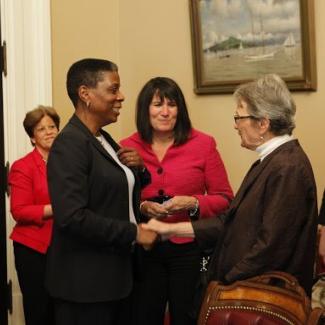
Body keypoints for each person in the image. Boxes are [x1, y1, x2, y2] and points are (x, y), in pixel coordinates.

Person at [143, 74, 318, 319]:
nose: (235, 125)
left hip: (260, 299)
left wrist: (225, 282)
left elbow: (271, 246)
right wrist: (172, 230)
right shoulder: (272, 161)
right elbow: (232, 221)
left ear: (263, 123)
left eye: (239, 117)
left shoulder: (286, 167)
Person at [45, 58, 157, 325]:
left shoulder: (102, 138)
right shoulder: (70, 143)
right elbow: (71, 217)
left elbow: (113, 192)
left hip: (116, 278)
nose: (121, 97)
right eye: (113, 89)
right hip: (86, 286)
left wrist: (139, 170)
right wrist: (134, 232)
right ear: (85, 94)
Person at [120, 76, 233, 325]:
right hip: (145, 248)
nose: (165, 112)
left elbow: (225, 199)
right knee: (144, 315)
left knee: (187, 316)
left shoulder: (203, 144)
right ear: (145, 110)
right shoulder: (127, 147)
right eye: (157, 104)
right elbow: (118, 198)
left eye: (172, 105)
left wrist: (192, 203)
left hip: (189, 249)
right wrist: (142, 206)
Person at [9, 105, 60, 325]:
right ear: (32, 137)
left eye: (52, 127)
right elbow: (19, 210)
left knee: (62, 309)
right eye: (41, 129)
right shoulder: (22, 167)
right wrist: (57, 208)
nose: (49, 132)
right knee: (39, 310)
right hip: (33, 249)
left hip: (64, 246)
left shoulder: (69, 163)